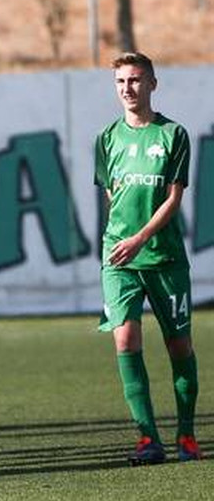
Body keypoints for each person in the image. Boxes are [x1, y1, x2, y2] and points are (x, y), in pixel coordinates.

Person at [94, 52, 199, 465]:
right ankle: (146, 438)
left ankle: (186, 435)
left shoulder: (173, 135)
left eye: (136, 80)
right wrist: (124, 241)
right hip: (119, 256)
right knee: (125, 337)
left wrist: (140, 238)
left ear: (152, 84)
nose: (128, 89)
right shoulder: (106, 138)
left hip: (164, 257)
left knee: (179, 346)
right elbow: (112, 196)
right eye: (121, 81)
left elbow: (173, 199)